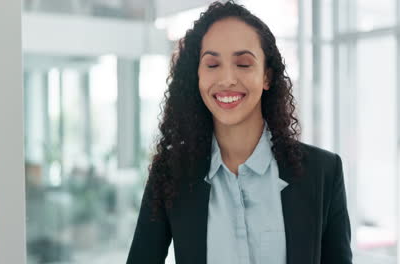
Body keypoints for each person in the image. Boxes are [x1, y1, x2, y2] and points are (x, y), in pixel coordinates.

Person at [126, 1, 352, 263]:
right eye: (212, 65)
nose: (227, 79)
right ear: (196, 76)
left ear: (267, 76)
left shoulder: (323, 172)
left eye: (243, 64)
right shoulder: (171, 173)